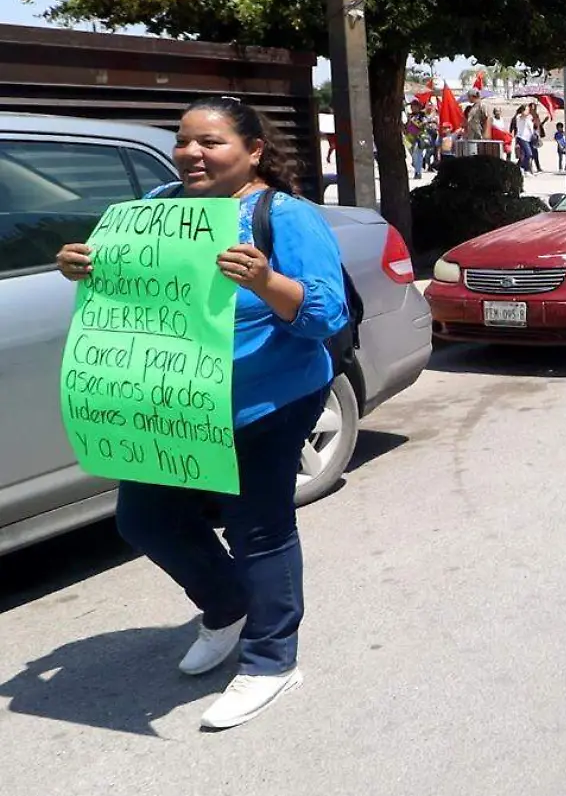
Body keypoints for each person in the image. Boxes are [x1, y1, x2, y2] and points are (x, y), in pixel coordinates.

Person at [53, 96, 350, 731]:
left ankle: (271, 661)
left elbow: (328, 314)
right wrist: (83, 266)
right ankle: (226, 606)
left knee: (258, 529)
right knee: (146, 518)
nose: (191, 152)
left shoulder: (284, 215)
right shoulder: (158, 209)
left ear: (253, 152)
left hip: (268, 401)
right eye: (184, 139)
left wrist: (268, 282)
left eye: (211, 142)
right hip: (176, 405)